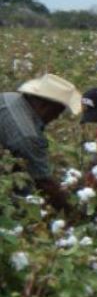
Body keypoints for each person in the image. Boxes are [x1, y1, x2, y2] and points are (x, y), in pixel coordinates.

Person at [1, 74, 81, 213]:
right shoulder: (27, 135)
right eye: (57, 112)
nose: (56, 118)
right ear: (45, 105)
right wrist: (72, 212)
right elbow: (44, 183)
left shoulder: (8, 97)